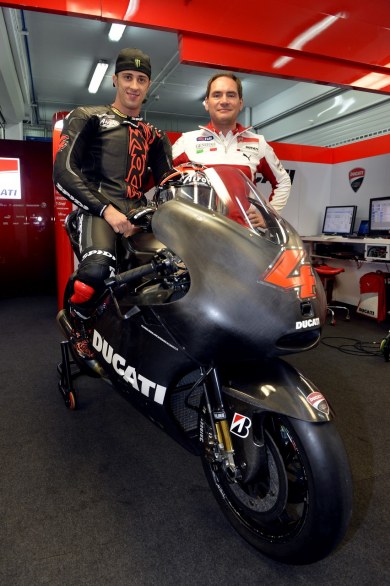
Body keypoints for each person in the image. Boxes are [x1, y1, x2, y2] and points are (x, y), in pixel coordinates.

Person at [53, 48, 172, 358]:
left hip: (139, 214)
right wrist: (108, 211)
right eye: (128, 77)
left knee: (172, 271)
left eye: (141, 79)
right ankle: (78, 324)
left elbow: (167, 182)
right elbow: (63, 172)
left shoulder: (156, 135)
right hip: (97, 211)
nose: (134, 85)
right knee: (94, 273)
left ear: (149, 86)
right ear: (115, 79)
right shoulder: (87, 116)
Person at [172, 72, 291, 220]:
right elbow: (160, 179)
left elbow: (283, 181)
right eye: (217, 95)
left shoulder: (258, 143)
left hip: (244, 237)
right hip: (198, 237)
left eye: (231, 95)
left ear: (240, 103)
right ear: (207, 103)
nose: (224, 101)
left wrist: (268, 215)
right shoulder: (187, 141)